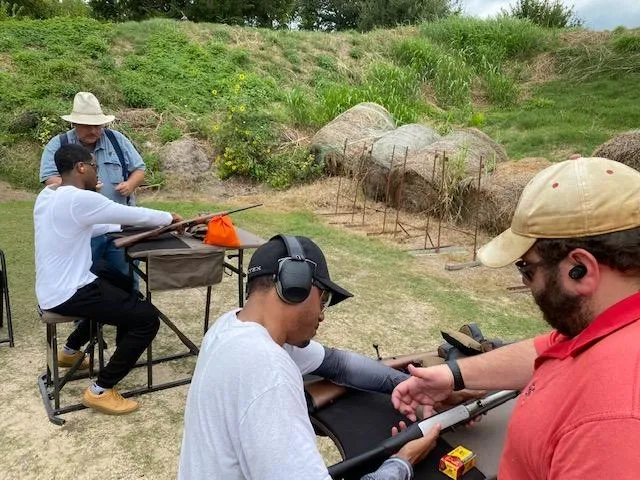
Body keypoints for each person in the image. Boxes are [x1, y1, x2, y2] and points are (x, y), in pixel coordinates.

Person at [391, 157, 640, 479]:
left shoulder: (613, 423)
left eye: (527, 268)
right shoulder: (605, 323)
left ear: (581, 270)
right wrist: (453, 375)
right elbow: (551, 349)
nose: (527, 283)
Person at [178, 234, 440, 480]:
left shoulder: (230, 326)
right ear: (295, 284)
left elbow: (339, 364)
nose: (323, 314)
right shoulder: (268, 370)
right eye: (323, 299)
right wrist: (402, 462)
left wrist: (415, 385)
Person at [35, 144, 182, 415]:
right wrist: (168, 218)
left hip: (52, 287)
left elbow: (94, 224)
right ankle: (100, 390)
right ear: (81, 167)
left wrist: (123, 226)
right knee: (146, 319)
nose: (96, 171)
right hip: (69, 292)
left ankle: (70, 351)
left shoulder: (49, 195)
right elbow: (129, 213)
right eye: (94, 165)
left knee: (116, 279)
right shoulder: (79, 198)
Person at [39, 91, 147, 283]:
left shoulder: (117, 140)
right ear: (74, 124)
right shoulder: (59, 145)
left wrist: (131, 184)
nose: (94, 131)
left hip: (121, 226)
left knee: (126, 278)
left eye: (98, 126)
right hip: (83, 229)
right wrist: (79, 188)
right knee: (84, 278)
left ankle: (126, 310)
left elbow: (139, 169)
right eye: (88, 126)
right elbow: (50, 179)